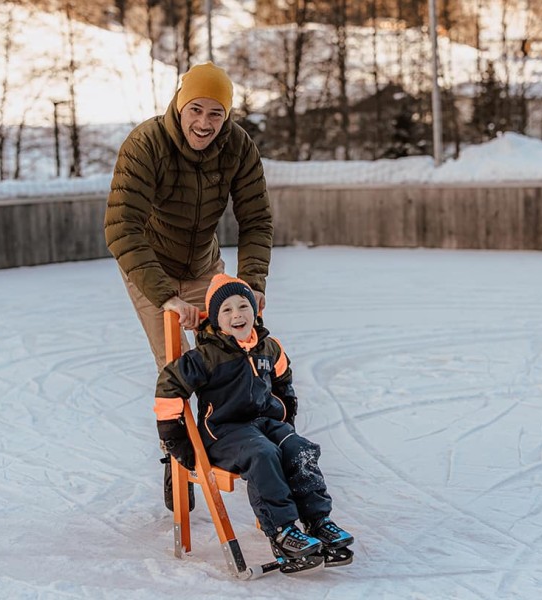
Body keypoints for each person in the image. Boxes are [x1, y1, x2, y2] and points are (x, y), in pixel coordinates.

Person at [104, 62, 273, 511]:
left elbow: (256, 220)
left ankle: (241, 447)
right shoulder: (147, 144)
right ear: (179, 105)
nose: (203, 122)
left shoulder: (237, 147)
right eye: (195, 109)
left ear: (227, 116)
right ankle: (176, 455)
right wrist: (166, 297)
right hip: (151, 269)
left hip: (202, 264)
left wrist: (251, 283)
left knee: (234, 354)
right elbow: (123, 227)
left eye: (215, 113)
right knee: (177, 367)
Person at [154, 274, 354, 571]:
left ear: (254, 310)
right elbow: (168, 387)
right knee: (263, 453)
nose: (237, 314)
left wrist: (285, 411)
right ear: (217, 321)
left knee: (299, 449)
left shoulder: (268, 347)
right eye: (227, 310)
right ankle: (282, 531)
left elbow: (283, 376)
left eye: (243, 306)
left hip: (264, 424)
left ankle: (317, 520)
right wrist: (176, 440)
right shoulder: (205, 356)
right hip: (224, 433)